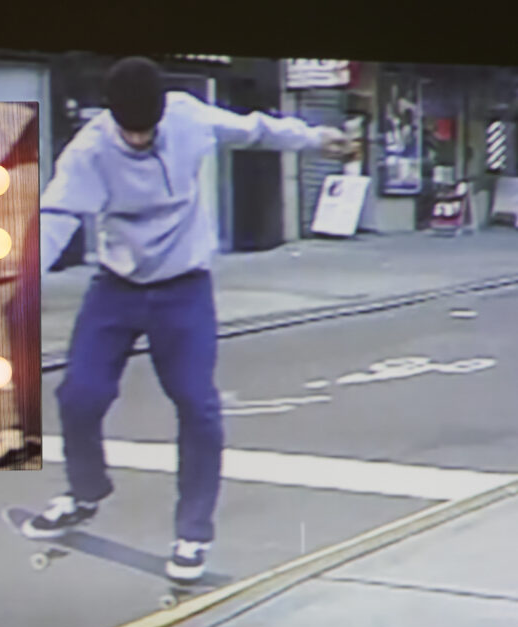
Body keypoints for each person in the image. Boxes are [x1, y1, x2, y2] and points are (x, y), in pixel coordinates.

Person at [24, 57, 352, 580]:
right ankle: (85, 492)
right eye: (127, 131)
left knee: (197, 406)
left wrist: (316, 139)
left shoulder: (188, 117)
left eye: (146, 130)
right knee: (78, 395)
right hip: (117, 288)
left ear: (160, 114)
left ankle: (193, 532)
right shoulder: (89, 149)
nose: (137, 140)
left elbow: (256, 130)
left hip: (184, 290)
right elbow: (56, 218)